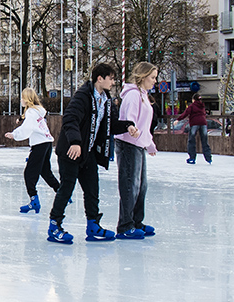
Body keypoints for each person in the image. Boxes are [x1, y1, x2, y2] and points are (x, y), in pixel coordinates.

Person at [47, 62, 138, 244]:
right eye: (111, 78)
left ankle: (93, 225)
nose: (113, 82)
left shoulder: (105, 99)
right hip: (71, 151)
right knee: (67, 188)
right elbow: (70, 119)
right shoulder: (83, 96)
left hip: (87, 153)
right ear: (100, 78)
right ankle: (54, 225)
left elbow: (109, 124)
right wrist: (75, 142)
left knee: (92, 189)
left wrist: (127, 125)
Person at [114, 62, 159, 240]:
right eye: (152, 77)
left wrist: (149, 144)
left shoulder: (143, 95)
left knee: (141, 185)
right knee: (130, 185)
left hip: (138, 144)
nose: (155, 81)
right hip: (128, 144)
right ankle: (125, 225)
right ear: (142, 77)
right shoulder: (133, 95)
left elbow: (145, 124)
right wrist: (131, 128)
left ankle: (136, 221)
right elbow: (129, 119)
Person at [5, 87, 59, 214]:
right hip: (46, 143)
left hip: (40, 145)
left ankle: (34, 201)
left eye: (22, 97)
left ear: (27, 99)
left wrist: (14, 134)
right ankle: (62, 193)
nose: (21, 100)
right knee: (45, 171)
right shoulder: (37, 111)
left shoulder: (31, 112)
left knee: (29, 174)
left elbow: (26, 128)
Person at [182, 93, 212, 164]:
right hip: (203, 123)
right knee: (204, 141)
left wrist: (178, 119)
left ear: (193, 100)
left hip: (195, 123)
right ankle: (208, 158)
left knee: (191, 140)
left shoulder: (192, 106)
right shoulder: (202, 106)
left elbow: (185, 113)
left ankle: (192, 158)